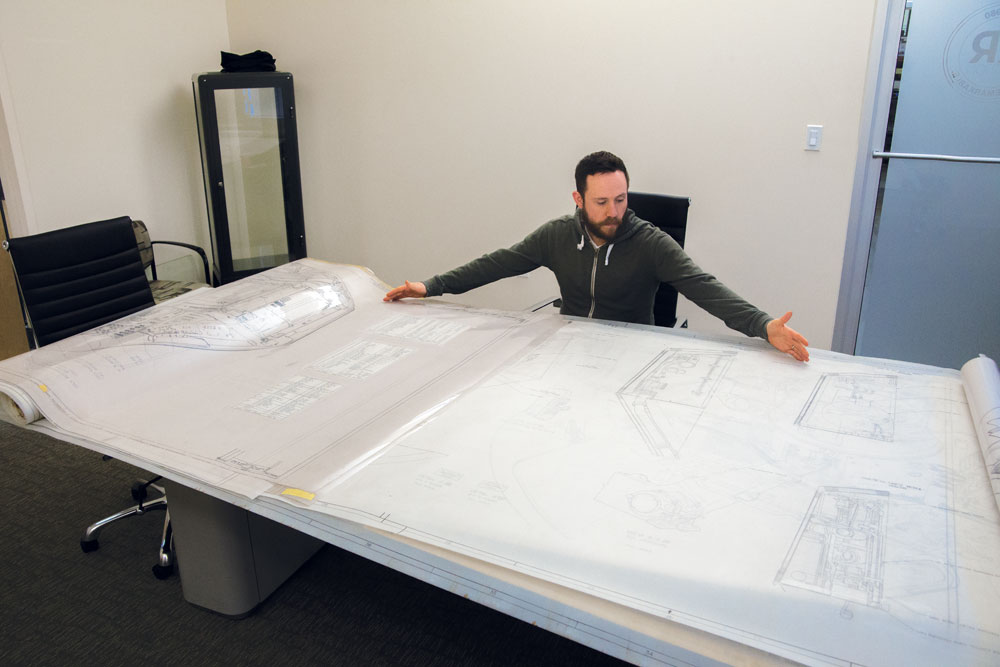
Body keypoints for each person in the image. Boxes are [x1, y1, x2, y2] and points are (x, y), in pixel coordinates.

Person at [385, 151, 809, 362]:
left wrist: (762, 325)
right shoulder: (557, 236)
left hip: (629, 354)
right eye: (602, 202)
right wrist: (431, 286)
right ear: (579, 199)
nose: (614, 212)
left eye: (621, 199)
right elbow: (498, 263)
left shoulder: (651, 244)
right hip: (569, 350)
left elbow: (705, 288)